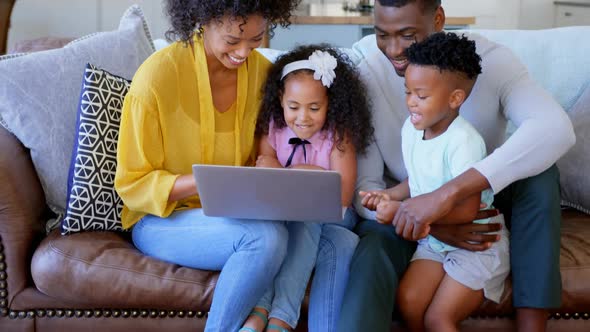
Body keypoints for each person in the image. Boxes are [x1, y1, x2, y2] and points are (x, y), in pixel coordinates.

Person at [338, 1, 576, 332]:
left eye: (407, 34)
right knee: (373, 247)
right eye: (382, 34)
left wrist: (449, 194)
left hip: (481, 198)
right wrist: (430, 222)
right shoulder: (365, 69)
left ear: (438, 19)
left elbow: (555, 129)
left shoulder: (490, 61)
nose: (393, 50)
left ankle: (531, 326)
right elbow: (366, 187)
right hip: (409, 202)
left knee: (541, 175)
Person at [114, 1, 301, 331]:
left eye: (256, 39)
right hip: (161, 219)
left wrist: (267, 159)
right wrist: (207, 183)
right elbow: (133, 185)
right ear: (202, 20)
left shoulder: (261, 73)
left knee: (303, 229)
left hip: (237, 211)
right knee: (265, 239)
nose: (244, 52)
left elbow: (266, 131)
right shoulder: (157, 77)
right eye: (232, 40)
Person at [364, 32, 510, 332]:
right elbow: (417, 180)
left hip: (475, 243)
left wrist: (403, 212)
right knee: (408, 300)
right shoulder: (411, 129)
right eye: (408, 92)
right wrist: (389, 195)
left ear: (455, 99)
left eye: (421, 96)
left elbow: (467, 212)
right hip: (435, 240)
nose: (411, 104)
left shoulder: (464, 142)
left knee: (438, 319)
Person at [241, 45, 373, 332]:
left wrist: (292, 175)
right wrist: (309, 177)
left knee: (308, 213)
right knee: (308, 229)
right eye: (294, 107)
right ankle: (265, 310)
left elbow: (340, 195)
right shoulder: (273, 126)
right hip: (286, 213)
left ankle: (278, 318)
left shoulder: (337, 136)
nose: (303, 117)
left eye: (315, 108)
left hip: (334, 214)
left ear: (330, 103)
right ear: (281, 100)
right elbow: (262, 168)